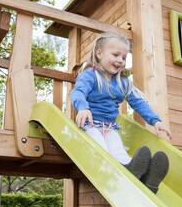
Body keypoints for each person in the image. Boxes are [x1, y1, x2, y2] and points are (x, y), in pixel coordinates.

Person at [70, 32, 171, 194]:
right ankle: (130, 176)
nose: (120, 60)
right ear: (99, 53)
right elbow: (78, 92)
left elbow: (138, 102)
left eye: (124, 57)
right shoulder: (90, 75)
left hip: (110, 128)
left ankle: (146, 180)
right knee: (102, 151)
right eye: (116, 55)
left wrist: (155, 121)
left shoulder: (122, 82)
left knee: (119, 153)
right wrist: (82, 107)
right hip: (90, 126)